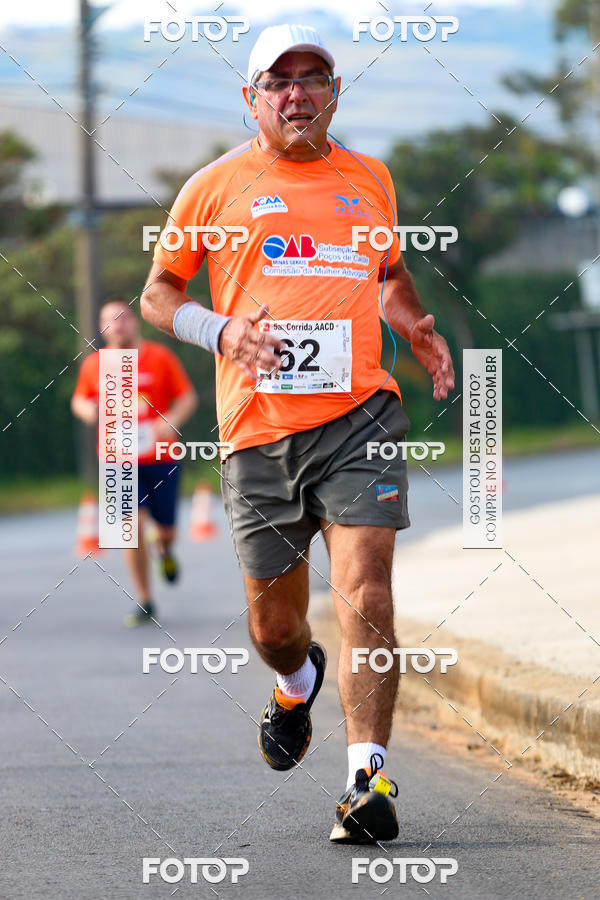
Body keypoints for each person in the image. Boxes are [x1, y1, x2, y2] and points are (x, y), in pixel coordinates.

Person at [141, 24, 455, 841]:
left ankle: (367, 783)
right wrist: (222, 331)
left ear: (334, 93)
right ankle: (294, 682)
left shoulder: (370, 179)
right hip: (257, 433)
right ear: (251, 99)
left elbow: (389, 274)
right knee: (275, 631)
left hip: (361, 417)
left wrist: (413, 322)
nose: (296, 93)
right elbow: (159, 294)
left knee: (368, 591)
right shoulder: (213, 187)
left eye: (313, 78)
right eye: (278, 82)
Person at [71, 298, 198, 626]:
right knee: (130, 527)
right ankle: (145, 599)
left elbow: (187, 397)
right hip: (117, 459)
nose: (118, 324)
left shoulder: (160, 357)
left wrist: (171, 421)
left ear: (135, 321)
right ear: (102, 328)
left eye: (123, 317)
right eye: (109, 319)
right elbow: (80, 399)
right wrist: (88, 411)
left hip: (161, 457)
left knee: (166, 532)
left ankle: (165, 550)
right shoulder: (94, 365)